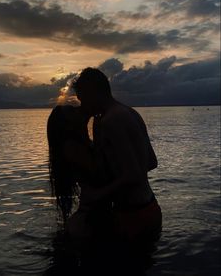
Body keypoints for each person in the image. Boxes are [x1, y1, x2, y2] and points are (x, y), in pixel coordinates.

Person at [71, 67, 162, 269]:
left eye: (82, 97)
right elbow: (151, 162)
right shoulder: (129, 112)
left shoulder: (111, 121)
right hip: (150, 209)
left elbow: (133, 176)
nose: (81, 104)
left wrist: (97, 195)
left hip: (132, 217)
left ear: (93, 92)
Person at [47, 104, 113, 268]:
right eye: (73, 111)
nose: (79, 109)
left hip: (92, 214)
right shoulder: (71, 147)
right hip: (89, 219)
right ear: (68, 124)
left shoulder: (80, 143)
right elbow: (100, 174)